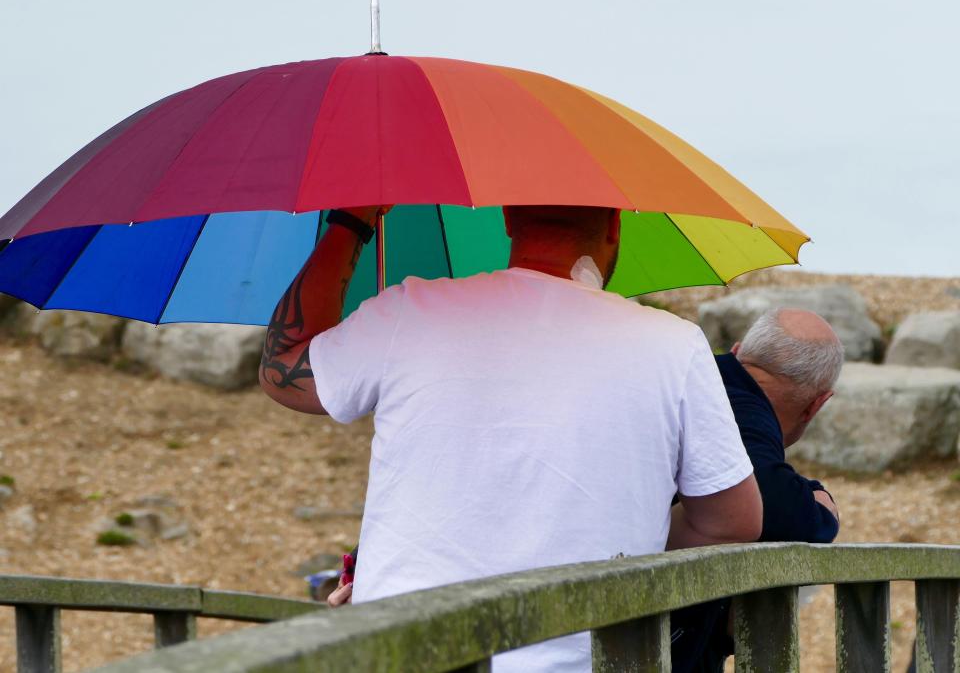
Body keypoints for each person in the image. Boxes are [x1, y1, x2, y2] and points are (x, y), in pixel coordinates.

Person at [260, 204, 762, 672]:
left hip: (404, 650)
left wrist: (352, 224)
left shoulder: (412, 309)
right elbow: (731, 521)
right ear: (613, 224)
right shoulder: (673, 344)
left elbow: (284, 366)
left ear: (506, 218)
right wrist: (629, 534)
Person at [670, 307, 844, 673]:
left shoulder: (712, 377)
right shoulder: (744, 408)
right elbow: (774, 506)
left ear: (737, 352)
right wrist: (821, 508)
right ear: (817, 405)